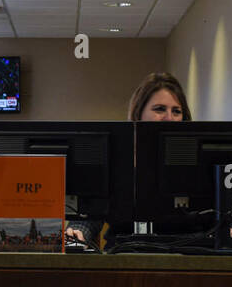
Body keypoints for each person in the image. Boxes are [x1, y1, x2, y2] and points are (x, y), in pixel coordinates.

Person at [66, 72, 193, 246]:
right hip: (124, 256)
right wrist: (79, 230)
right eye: (159, 109)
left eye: (177, 111)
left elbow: (228, 209)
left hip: (187, 257)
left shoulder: (192, 162)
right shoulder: (117, 161)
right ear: (138, 113)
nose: (170, 118)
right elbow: (92, 214)